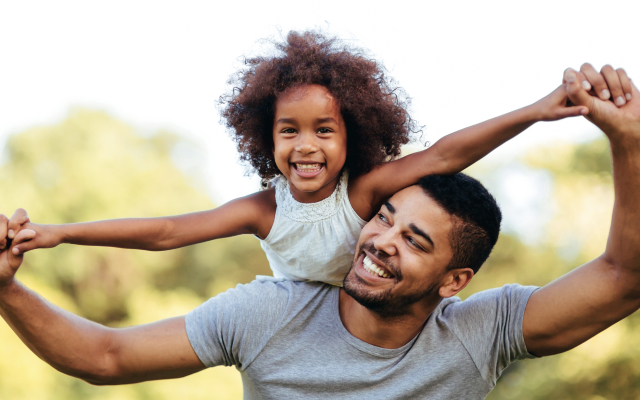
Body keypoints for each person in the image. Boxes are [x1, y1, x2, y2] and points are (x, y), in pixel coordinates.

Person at [0, 64, 638, 399]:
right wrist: (17, 276)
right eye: (384, 218)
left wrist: (623, 141)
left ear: (455, 280)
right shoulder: (266, 310)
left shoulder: (479, 333)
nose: (383, 237)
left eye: (415, 240)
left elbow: (623, 276)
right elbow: (104, 354)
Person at [1, 31, 599, 287]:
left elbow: (445, 153)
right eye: (289, 131)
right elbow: (167, 231)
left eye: (324, 131)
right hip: (298, 331)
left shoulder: (364, 195)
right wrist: (58, 233)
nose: (306, 146)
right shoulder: (266, 209)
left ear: (354, 137)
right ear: (267, 138)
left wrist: (535, 112)